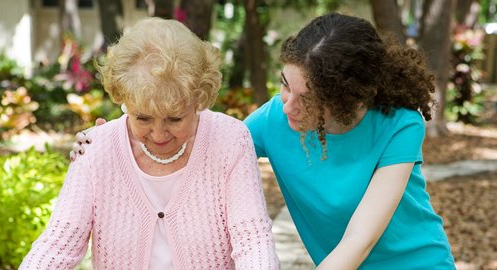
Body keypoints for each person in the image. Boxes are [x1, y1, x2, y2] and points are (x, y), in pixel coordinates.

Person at [72, 13, 456, 269]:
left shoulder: (399, 125)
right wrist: (114, 141)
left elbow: (361, 238)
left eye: (308, 101)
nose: (289, 106)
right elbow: (208, 145)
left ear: (346, 100)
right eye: (286, 87)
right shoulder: (274, 118)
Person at [20, 17, 279, 269]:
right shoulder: (95, 149)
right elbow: (57, 246)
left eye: (174, 118)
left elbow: (252, 239)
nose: (158, 135)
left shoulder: (230, 140)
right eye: (142, 117)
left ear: (199, 100)